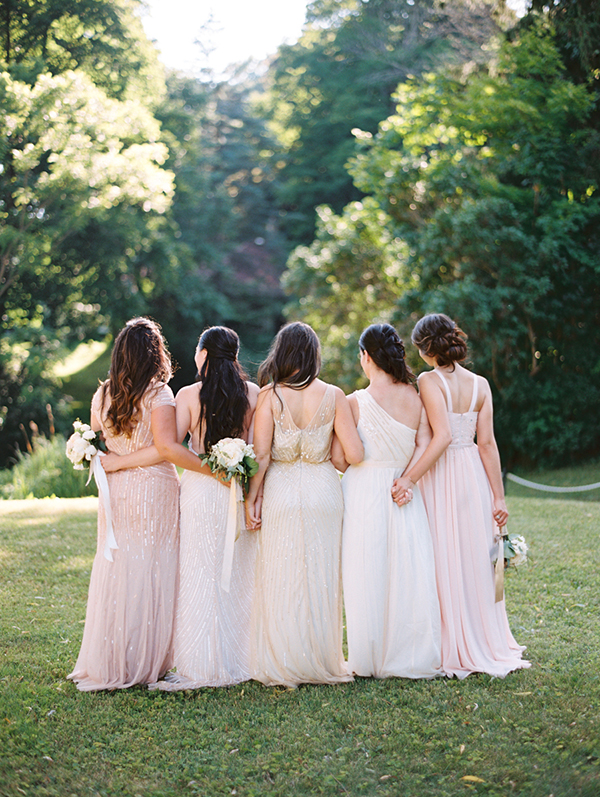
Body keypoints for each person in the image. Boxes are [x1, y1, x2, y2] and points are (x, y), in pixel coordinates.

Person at [100, 326, 259, 688]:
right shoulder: (253, 393)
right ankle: (238, 656)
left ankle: (198, 659)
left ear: (201, 354)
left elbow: (172, 447)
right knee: (236, 574)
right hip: (237, 487)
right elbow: (256, 446)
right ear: (234, 356)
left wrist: (210, 469)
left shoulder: (188, 395)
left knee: (199, 572)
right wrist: (234, 474)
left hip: (202, 489)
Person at [68, 317, 213, 691]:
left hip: (117, 490)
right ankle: (147, 660)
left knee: (118, 566)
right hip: (152, 490)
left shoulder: (102, 395)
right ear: (155, 354)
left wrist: (112, 462)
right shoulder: (159, 394)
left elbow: (100, 445)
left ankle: (116, 656)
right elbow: (165, 448)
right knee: (152, 567)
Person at [392, 313, 530, 679]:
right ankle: (486, 637)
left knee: (445, 555)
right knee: (472, 555)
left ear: (424, 348)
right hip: (474, 475)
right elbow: (487, 443)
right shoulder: (481, 383)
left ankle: (454, 642)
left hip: (443, 474)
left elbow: (440, 439)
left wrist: (408, 478)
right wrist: (498, 497)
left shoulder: (429, 380)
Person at [245, 321, 363, 687]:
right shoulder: (334, 395)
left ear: (281, 353)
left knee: (281, 574)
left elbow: (261, 455)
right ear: (313, 355)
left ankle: (284, 660)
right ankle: (319, 660)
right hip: (323, 491)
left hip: (281, 489)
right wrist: (331, 449)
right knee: (320, 576)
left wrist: (252, 497)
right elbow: (352, 455)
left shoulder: (269, 396)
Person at [334, 324, 441, 679]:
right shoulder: (414, 395)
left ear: (366, 356)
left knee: (365, 571)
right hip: (403, 489)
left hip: (364, 488)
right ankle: (406, 652)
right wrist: (407, 478)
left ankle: (367, 657)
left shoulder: (354, 401)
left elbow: (339, 459)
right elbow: (426, 443)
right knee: (405, 570)